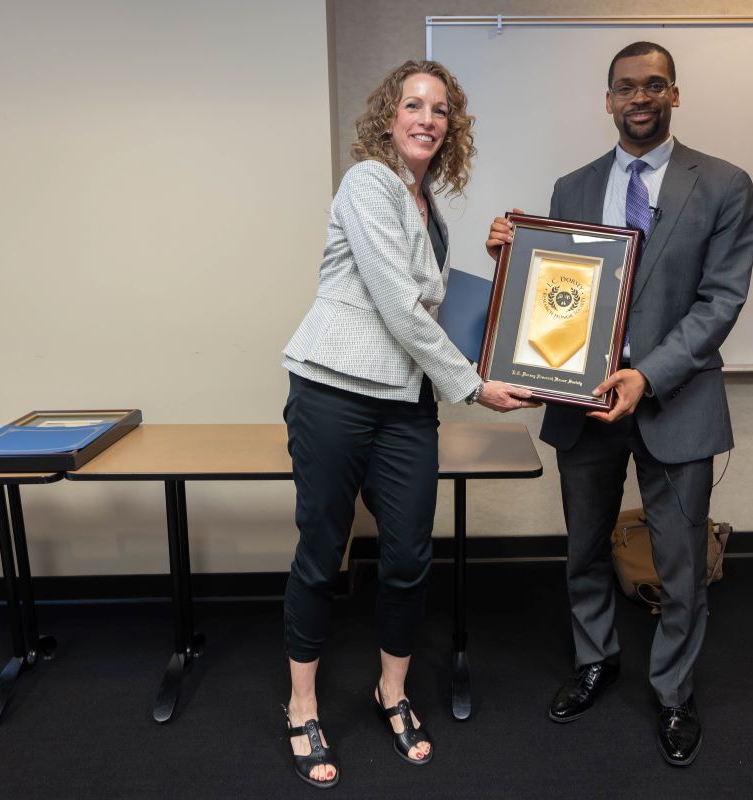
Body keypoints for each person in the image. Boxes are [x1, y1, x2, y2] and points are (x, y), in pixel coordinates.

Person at [486, 41, 753, 766]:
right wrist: (512, 262)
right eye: (626, 88)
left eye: (654, 85)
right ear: (608, 99)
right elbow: (562, 294)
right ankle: (595, 659)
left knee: (680, 564)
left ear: (675, 93)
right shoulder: (572, 187)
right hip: (583, 405)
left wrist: (649, 375)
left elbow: (721, 299)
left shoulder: (726, 184)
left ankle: (673, 695)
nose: (640, 98)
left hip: (677, 400)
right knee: (584, 550)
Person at [281, 59, 537, 789]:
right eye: (413, 105)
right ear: (388, 117)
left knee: (408, 557)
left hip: (404, 405)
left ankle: (391, 692)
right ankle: (301, 705)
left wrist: (505, 267)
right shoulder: (368, 182)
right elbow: (397, 305)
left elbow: (436, 306)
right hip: (332, 392)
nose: (427, 118)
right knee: (322, 549)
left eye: (441, 109)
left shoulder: (434, 214)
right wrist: (474, 387)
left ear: (451, 127)